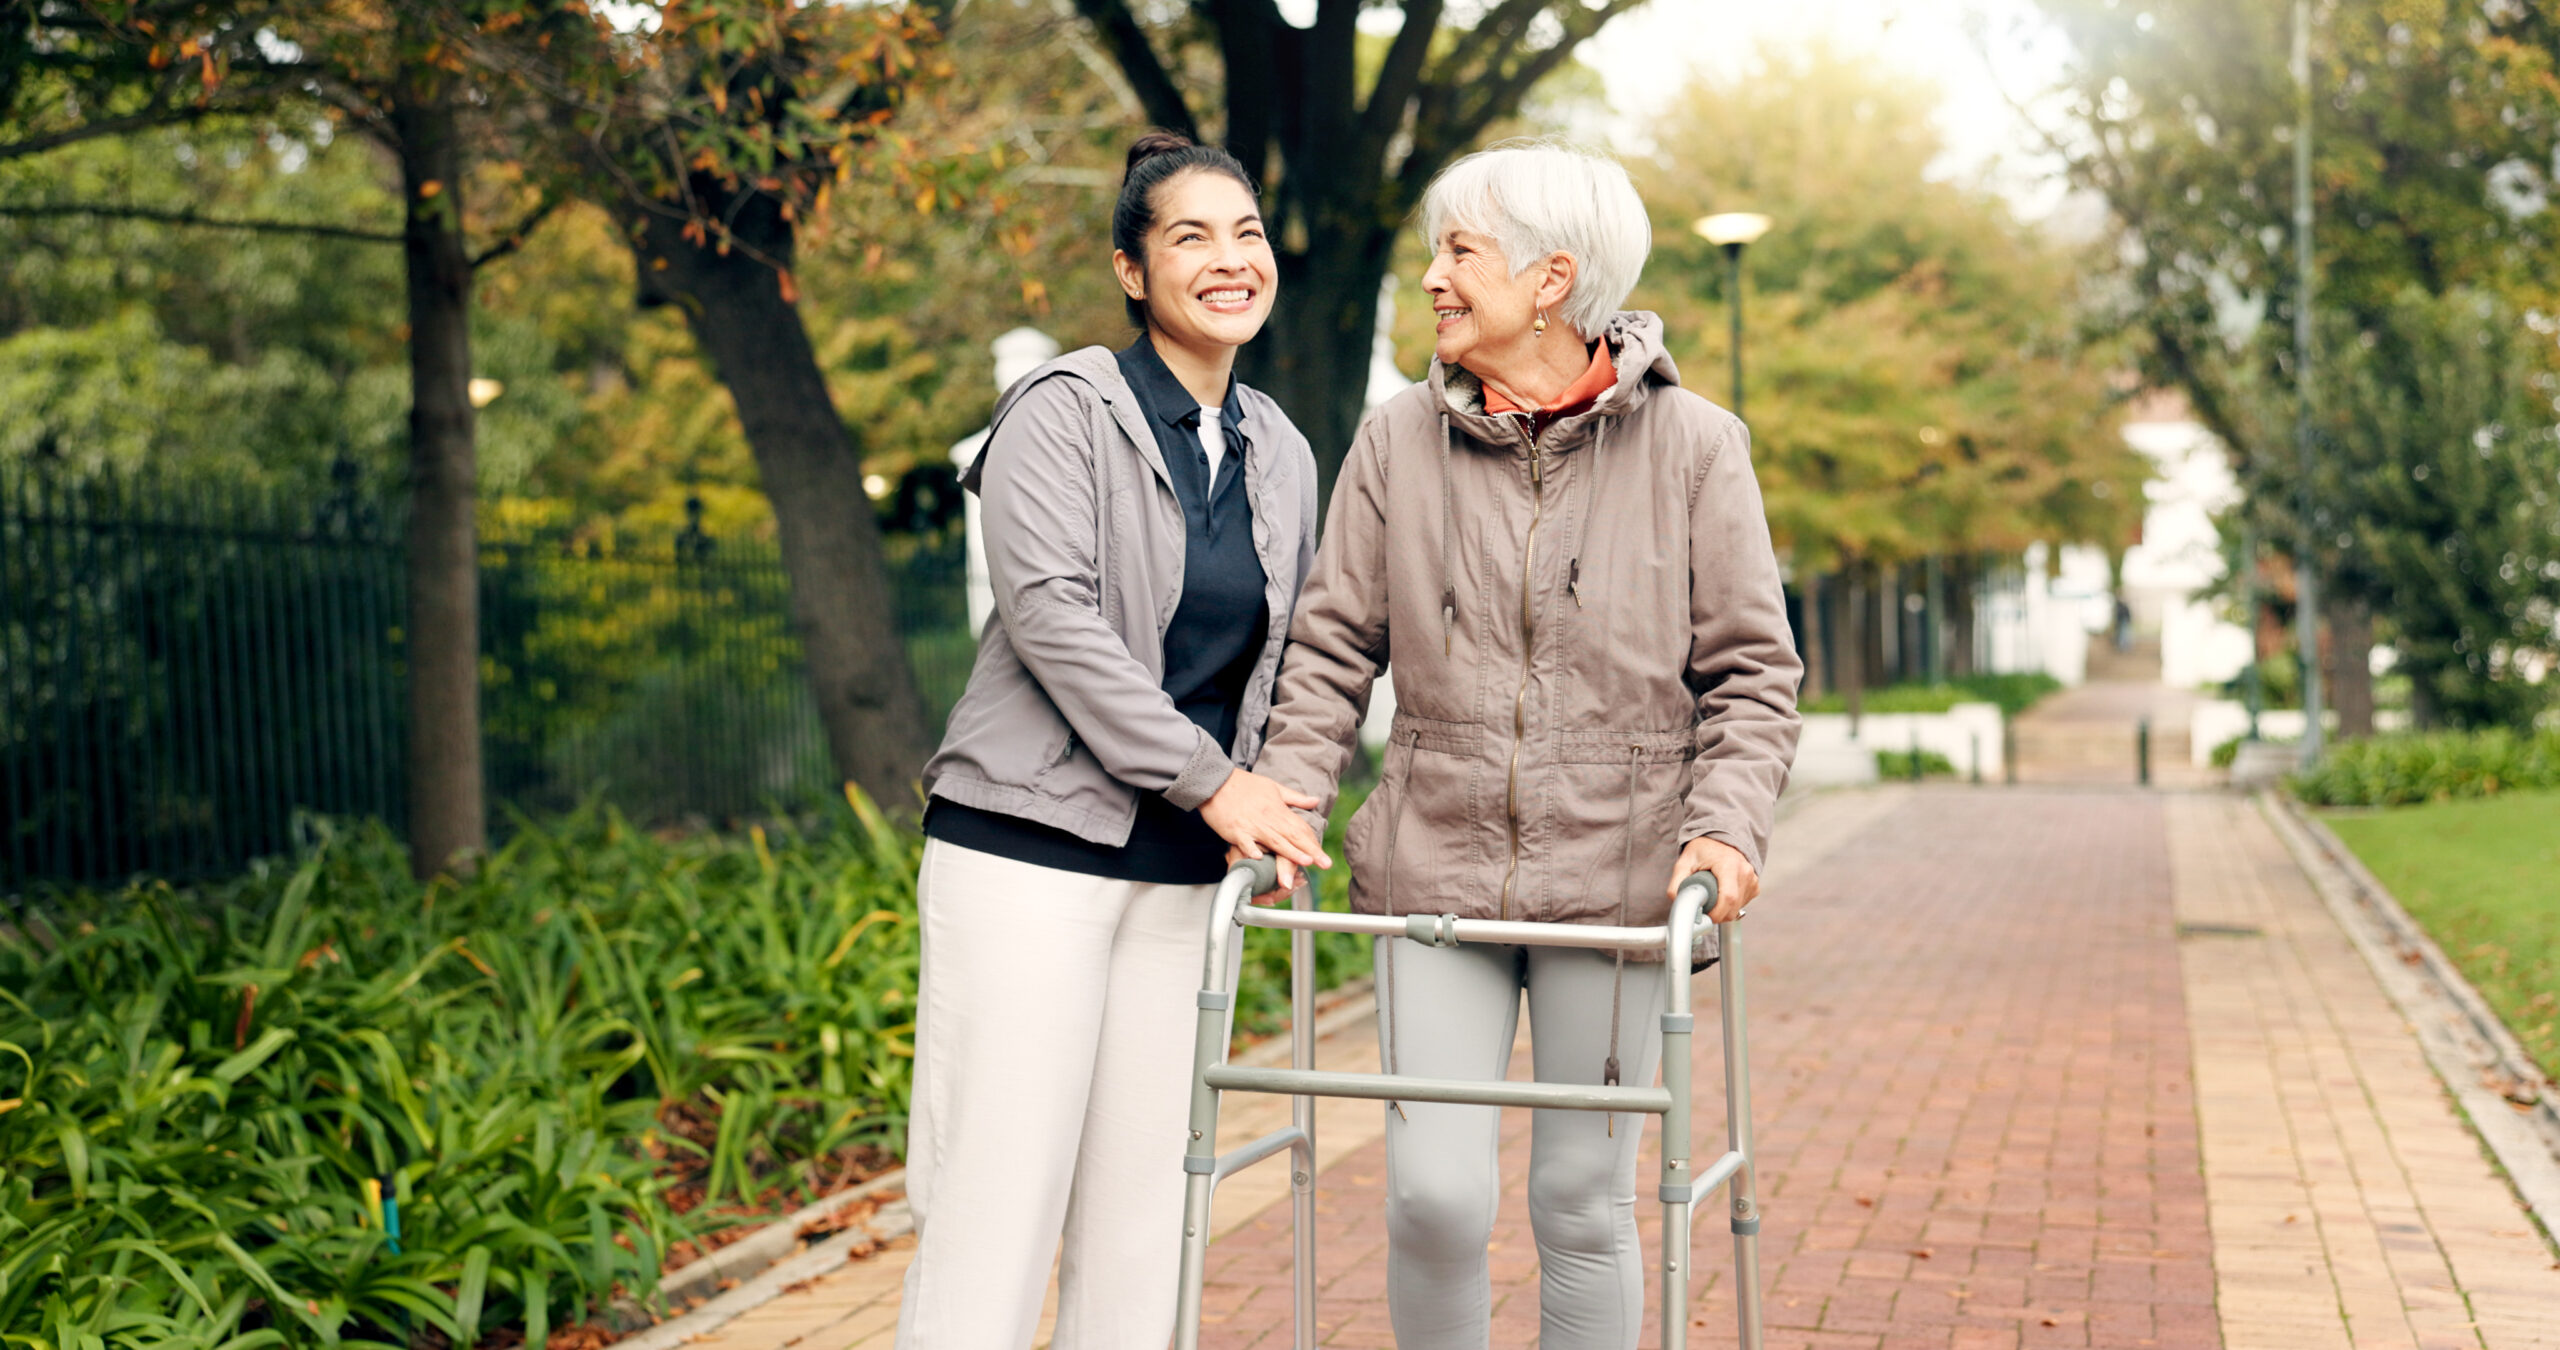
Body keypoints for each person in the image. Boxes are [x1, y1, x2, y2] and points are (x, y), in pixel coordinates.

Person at [1248, 141, 1803, 1348]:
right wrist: (1289, 791)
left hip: (1616, 872)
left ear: (1551, 278)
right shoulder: (1397, 439)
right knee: (1434, 1198)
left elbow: (1753, 674)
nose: (1435, 278)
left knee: (1581, 1201)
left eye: (1459, 251)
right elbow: (1334, 641)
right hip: (1432, 859)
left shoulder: (1697, 446)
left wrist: (1725, 828)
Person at [896, 131, 1331, 1350]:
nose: (1228, 258)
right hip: (1029, 857)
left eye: (1244, 234)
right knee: (996, 1204)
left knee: (1147, 1221)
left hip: (1184, 875)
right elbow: (1051, 617)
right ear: (1134, 273)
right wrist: (1216, 782)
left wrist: (1283, 797)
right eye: (1190, 236)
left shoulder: (1282, 452)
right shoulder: (1060, 411)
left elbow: (1301, 650)